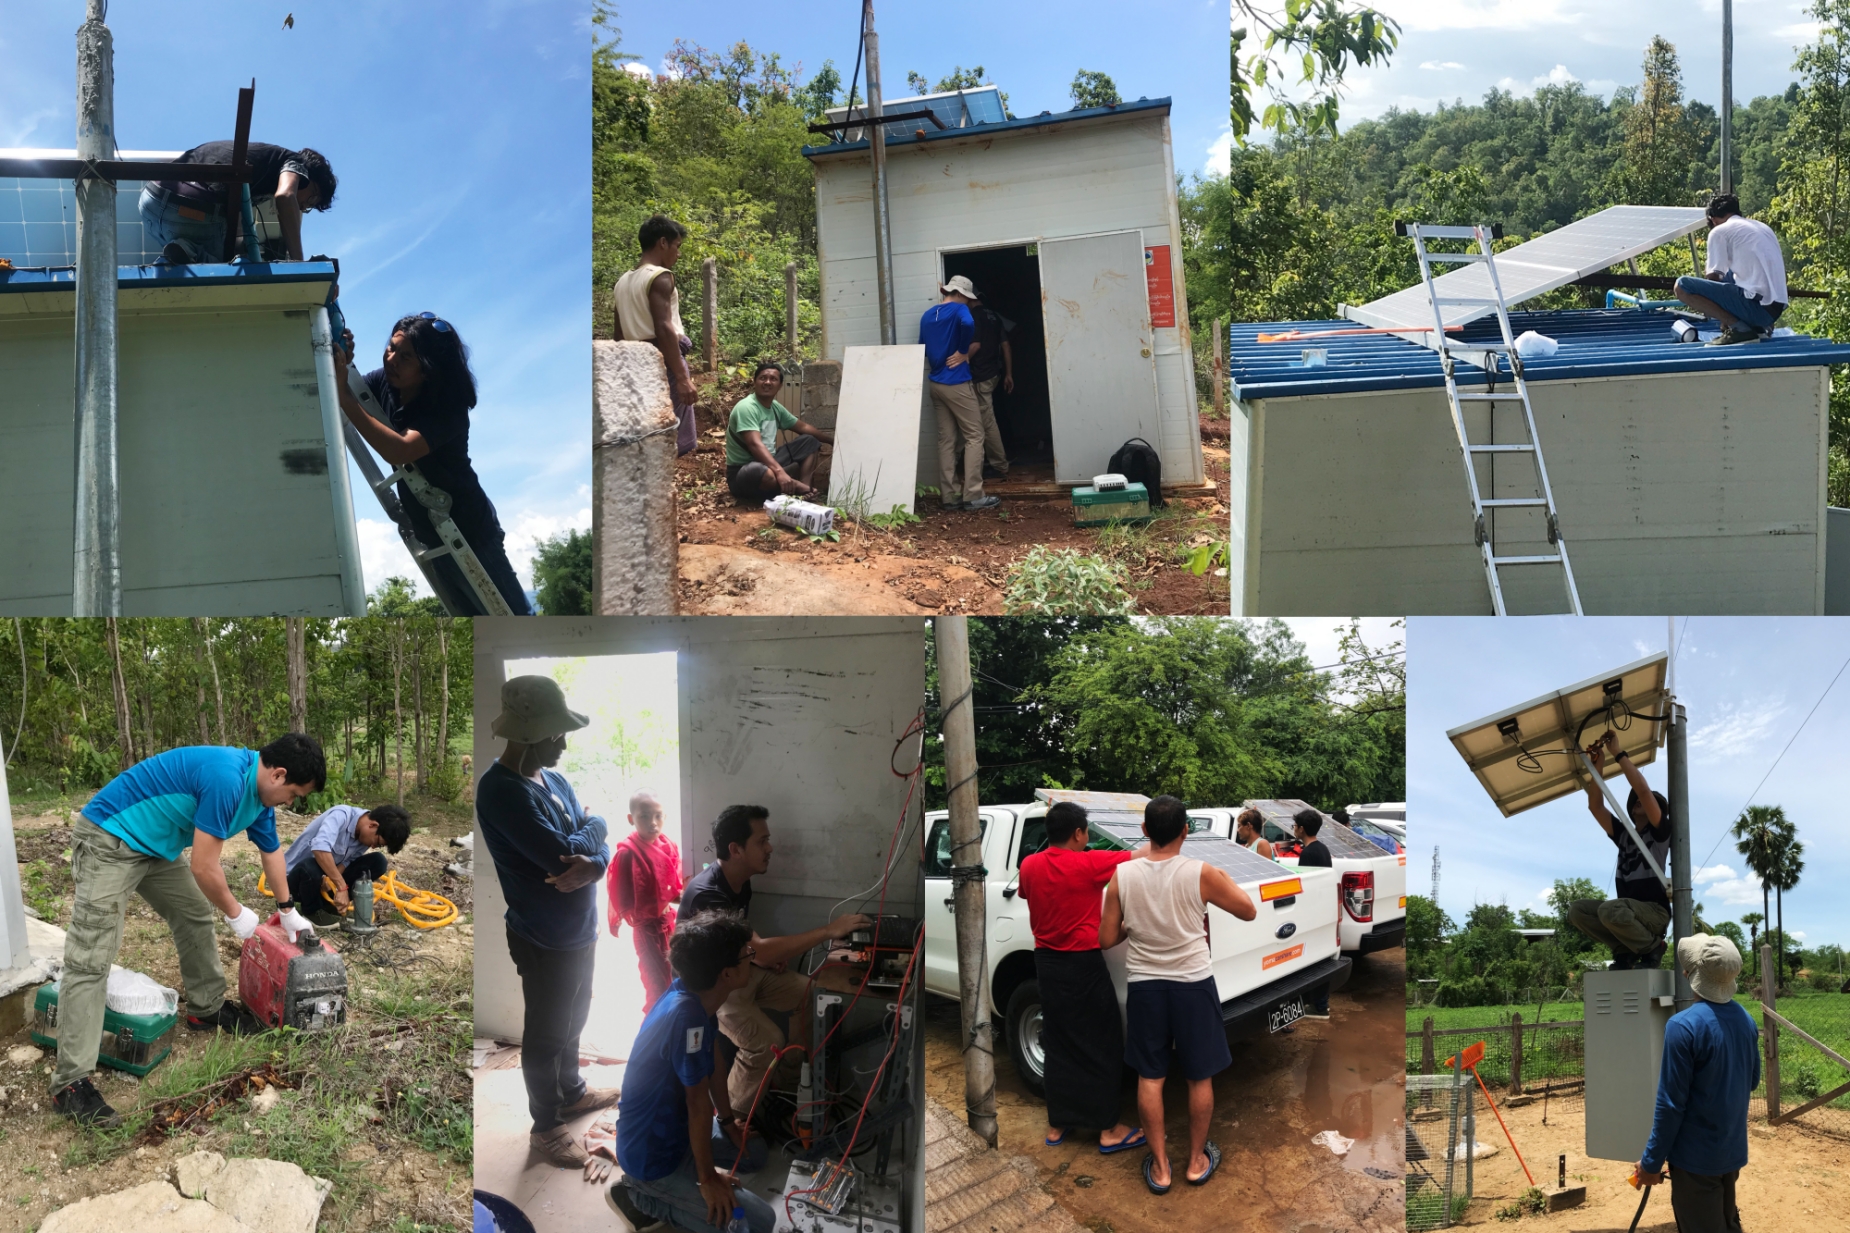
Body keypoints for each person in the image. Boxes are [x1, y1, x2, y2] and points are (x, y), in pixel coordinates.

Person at [49, 735, 326, 1126]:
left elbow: (272, 852)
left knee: (193, 912)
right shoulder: (227, 778)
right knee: (92, 956)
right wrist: (236, 914)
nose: (291, 802)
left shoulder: (260, 796)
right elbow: (203, 867)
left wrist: (287, 910)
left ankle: (206, 1008)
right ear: (278, 775)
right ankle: (70, 1084)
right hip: (109, 837)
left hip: (154, 847)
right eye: (294, 793)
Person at [475, 675, 616, 1167]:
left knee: (576, 1019)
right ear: (531, 734)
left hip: (580, 929)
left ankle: (572, 1091)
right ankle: (546, 1126)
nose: (563, 742)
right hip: (543, 935)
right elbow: (560, 859)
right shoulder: (501, 792)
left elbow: (595, 827)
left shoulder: (553, 780)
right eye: (557, 734)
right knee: (547, 1032)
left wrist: (595, 856)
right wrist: (590, 841)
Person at [1099, 795, 1256, 1193]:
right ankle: (1196, 1160)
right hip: (1192, 984)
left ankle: (1162, 1168)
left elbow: (1106, 938)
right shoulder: (1201, 872)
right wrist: (1222, 875)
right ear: (1186, 830)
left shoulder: (1122, 875)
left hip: (1145, 987)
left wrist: (1136, 924)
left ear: (1145, 831)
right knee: (1198, 1075)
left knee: (1150, 1077)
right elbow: (1248, 911)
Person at [333, 313, 532, 615]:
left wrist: (344, 395)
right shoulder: (384, 384)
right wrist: (341, 360)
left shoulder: (448, 407)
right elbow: (346, 385)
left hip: (469, 532)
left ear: (428, 369)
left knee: (514, 620)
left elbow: (400, 450)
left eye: (406, 357)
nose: (392, 360)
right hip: (432, 532)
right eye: (391, 348)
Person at [678, 806, 870, 1117]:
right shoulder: (707, 894)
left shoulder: (740, 881)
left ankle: (785, 1087)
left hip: (739, 971)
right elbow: (761, 949)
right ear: (736, 849)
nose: (770, 848)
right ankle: (729, 1125)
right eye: (762, 841)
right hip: (711, 989)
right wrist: (829, 931)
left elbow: (747, 941)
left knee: (810, 993)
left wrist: (761, 958)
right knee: (767, 1042)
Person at [607, 910, 775, 1233]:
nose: (751, 959)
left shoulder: (697, 994)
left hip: (679, 1133)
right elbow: (698, 1104)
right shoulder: (687, 1017)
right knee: (754, 1224)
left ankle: (678, 1185)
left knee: (754, 1151)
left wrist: (728, 1125)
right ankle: (640, 1196)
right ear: (726, 974)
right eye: (746, 955)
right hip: (652, 1157)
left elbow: (714, 1065)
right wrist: (708, 1177)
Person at [1016, 801, 1144, 1153]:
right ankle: (1108, 1128)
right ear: (1078, 833)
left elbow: (1027, 892)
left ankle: (1058, 1123)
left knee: (1058, 1039)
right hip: (1082, 965)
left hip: (1046, 964)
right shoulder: (1089, 863)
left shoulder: (1029, 865)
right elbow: (1145, 855)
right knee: (1101, 1042)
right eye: (1087, 831)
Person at [1635, 934, 1759, 1233]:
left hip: (1695, 1161)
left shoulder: (1683, 1026)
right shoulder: (1745, 1019)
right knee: (1727, 1222)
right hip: (1731, 1152)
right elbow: (1752, 1081)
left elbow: (1670, 1105)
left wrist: (1651, 1163)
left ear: (1690, 975)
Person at [1566, 731, 1672, 970]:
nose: (1642, 801)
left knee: (1611, 909)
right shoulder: (1625, 835)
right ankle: (1625, 949)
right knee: (1578, 911)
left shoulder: (1660, 832)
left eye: (1648, 802)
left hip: (1654, 914)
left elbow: (1644, 792)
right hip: (1626, 912)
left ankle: (1654, 947)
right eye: (1636, 801)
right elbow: (1595, 806)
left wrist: (1618, 753)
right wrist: (1598, 764)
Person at [141, 141, 337, 264]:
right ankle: (188, 251)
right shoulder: (296, 162)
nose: (303, 207)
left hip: (151, 201)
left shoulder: (264, 162)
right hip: (191, 207)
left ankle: (185, 248)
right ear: (309, 176)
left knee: (218, 252)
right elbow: (285, 197)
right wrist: (298, 263)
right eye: (311, 198)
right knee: (222, 270)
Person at [614, 214, 701, 455]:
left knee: (649, 430)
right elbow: (664, 328)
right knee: (671, 435)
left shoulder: (622, 282)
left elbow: (618, 335)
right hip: (664, 362)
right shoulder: (659, 276)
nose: (678, 253)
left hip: (636, 362)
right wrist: (682, 377)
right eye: (677, 246)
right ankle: (661, 485)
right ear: (663, 243)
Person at [920, 276, 999, 512]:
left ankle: (950, 496)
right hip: (957, 382)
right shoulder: (960, 311)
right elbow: (968, 325)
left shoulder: (927, 315)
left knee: (946, 440)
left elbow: (923, 345)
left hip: (935, 383)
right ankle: (973, 495)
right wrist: (963, 352)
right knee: (975, 435)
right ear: (962, 295)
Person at [1674, 195, 1789, 346]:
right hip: (1774, 310)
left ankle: (1740, 329)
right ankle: (1758, 327)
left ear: (1713, 220)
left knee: (1682, 286)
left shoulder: (1720, 231)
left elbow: (1713, 279)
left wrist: (1724, 319)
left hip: (1757, 309)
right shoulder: (1762, 228)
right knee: (1730, 274)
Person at [608, 790, 684, 1013]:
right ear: (631, 819)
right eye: (644, 816)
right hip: (646, 930)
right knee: (657, 988)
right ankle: (652, 1041)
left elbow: (674, 887)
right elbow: (623, 897)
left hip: (670, 924)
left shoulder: (668, 846)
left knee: (675, 979)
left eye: (658, 816)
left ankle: (670, 1035)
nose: (653, 823)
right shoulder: (627, 854)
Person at [282, 802, 411, 926]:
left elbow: (346, 862)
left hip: (322, 880)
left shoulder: (364, 836)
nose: (372, 846)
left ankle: (331, 905)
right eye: (376, 842)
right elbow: (320, 849)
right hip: (298, 880)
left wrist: (331, 881)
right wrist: (341, 886)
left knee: (378, 861)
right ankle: (312, 911)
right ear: (373, 825)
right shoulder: (340, 815)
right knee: (309, 867)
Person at [724, 362, 834, 501]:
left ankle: (805, 493)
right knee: (756, 470)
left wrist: (832, 441)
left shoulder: (775, 407)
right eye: (763, 378)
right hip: (743, 474)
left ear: (780, 385)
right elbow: (754, 444)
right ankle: (796, 486)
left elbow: (804, 428)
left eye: (773, 379)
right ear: (755, 382)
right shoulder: (747, 407)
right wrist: (780, 471)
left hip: (770, 464)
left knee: (809, 441)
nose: (768, 382)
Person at [967, 292, 1015, 480]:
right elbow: (1006, 346)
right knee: (981, 418)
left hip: (980, 374)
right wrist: (1008, 374)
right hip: (993, 374)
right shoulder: (993, 315)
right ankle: (988, 461)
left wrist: (958, 364)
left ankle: (999, 465)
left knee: (986, 421)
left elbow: (975, 345)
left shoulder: (973, 316)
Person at [1293, 809, 1334, 1019]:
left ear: (1301, 829)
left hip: (1313, 911)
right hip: (1324, 909)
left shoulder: (1308, 854)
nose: (1294, 829)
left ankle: (1318, 1006)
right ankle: (1321, 1004)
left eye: (1295, 826)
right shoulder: (1323, 849)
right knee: (1321, 958)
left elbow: (1306, 886)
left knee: (1312, 960)